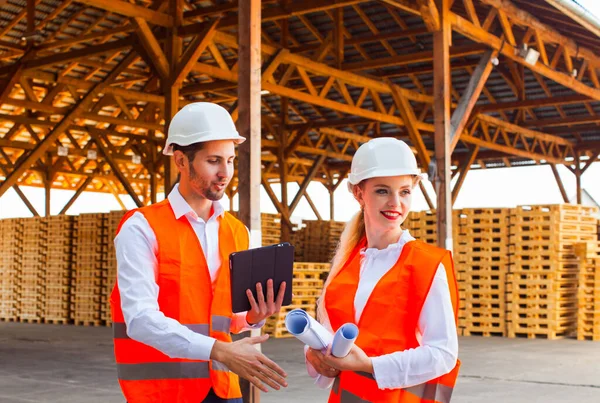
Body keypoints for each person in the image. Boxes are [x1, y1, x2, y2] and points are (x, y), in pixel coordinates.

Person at [110, 102, 288, 403]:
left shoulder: (235, 231)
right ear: (181, 160)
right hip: (162, 393)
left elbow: (224, 317)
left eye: (230, 160)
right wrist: (219, 350)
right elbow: (140, 319)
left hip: (222, 387)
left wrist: (252, 317)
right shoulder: (142, 227)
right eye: (214, 161)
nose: (225, 172)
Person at [304, 137, 460, 402]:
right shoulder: (347, 265)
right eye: (382, 190)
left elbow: (443, 354)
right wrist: (313, 354)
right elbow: (328, 337)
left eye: (405, 191)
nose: (395, 203)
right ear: (358, 193)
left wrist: (369, 366)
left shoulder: (427, 264)